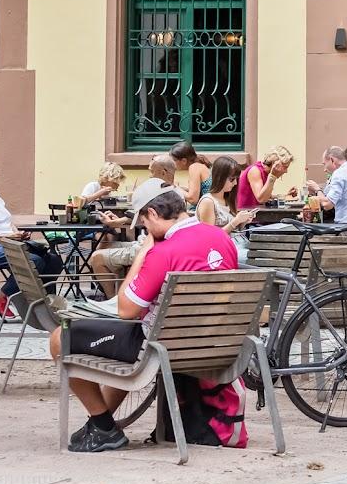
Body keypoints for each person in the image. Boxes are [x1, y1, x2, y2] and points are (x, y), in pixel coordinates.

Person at [49, 188, 239, 453]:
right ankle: (102, 425)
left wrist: (142, 255)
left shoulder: (164, 251)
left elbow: (126, 309)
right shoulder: (220, 237)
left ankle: (103, 426)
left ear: (153, 213)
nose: (144, 229)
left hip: (159, 347)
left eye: (144, 223)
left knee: (60, 337)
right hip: (212, 343)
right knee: (122, 340)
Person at [0, 152, 64, 319]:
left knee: (53, 260)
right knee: (33, 261)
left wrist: (17, 233)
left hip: (8, 243)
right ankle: (0, 296)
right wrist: (1, 237)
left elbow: (7, 222)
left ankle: (41, 303)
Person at [89, 156, 185, 297]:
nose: (150, 176)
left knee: (97, 257)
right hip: (148, 244)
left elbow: (154, 226)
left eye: (152, 172)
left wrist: (119, 222)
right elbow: (146, 220)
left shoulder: (162, 194)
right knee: (107, 246)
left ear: (163, 173)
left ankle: (113, 302)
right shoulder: (175, 193)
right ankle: (123, 294)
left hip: (149, 247)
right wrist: (117, 222)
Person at [196, 155, 257, 258]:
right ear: (220, 177)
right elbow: (210, 238)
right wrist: (235, 221)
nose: (235, 183)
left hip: (239, 244)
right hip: (223, 251)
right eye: (232, 179)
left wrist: (243, 221)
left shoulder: (228, 199)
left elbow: (233, 230)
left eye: (236, 179)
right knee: (260, 259)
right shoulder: (208, 202)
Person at [236, 145, 297, 210]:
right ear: (275, 164)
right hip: (246, 215)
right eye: (285, 167)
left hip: (255, 214)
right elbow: (261, 199)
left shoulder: (266, 173)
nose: (286, 171)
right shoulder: (255, 171)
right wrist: (272, 177)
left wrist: (286, 196)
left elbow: (267, 197)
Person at [170, 141, 212, 206]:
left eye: (174, 160)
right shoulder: (199, 165)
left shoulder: (194, 167)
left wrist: (175, 188)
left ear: (184, 161)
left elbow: (193, 199)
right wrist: (181, 188)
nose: (172, 163)